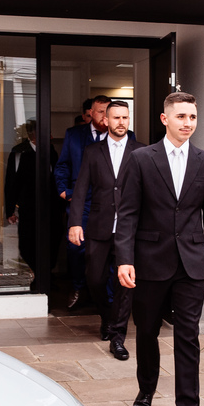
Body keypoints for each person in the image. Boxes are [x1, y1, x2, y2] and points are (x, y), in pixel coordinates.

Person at [115, 91, 204, 406]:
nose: (188, 123)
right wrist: (124, 258)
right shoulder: (141, 159)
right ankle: (146, 389)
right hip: (149, 261)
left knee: (188, 338)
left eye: (192, 117)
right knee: (146, 331)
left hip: (191, 265)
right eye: (181, 117)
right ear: (165, 119)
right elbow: (127, 213)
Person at [69, 101, 140, 359]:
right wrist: (75, 222)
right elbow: (80, 188)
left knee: (124, 283)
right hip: (99, 226)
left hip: (130, 231)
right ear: (105, 121)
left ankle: (118, 336)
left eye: (125, 117)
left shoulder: (142, 151)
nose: (121, 122)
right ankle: (107, 316)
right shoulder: (92, 151)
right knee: (95, 278)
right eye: (116, 117)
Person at [55, 95, 111, 309]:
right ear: (90, 114)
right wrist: (63, 191)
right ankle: (78, 287)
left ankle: (106, 299)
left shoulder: (125, 136)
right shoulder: (74, 134)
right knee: (77, 248)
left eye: (108, 111)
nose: (105, 116)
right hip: (81, 202)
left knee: (110, 249)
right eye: (99, 112)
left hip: (109, 203)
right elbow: (63, 166)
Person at [4, 120, 62, 285]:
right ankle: (39, 274)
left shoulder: (51, 151)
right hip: (29, 207)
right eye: (46, 133)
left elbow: (56, 178)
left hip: (52, 207)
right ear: (33, 135)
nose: (51, 136)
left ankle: (45, 274)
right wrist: (10, 210)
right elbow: (11, 183)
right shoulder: (19, 152)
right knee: (27, 244)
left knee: (53, 240)